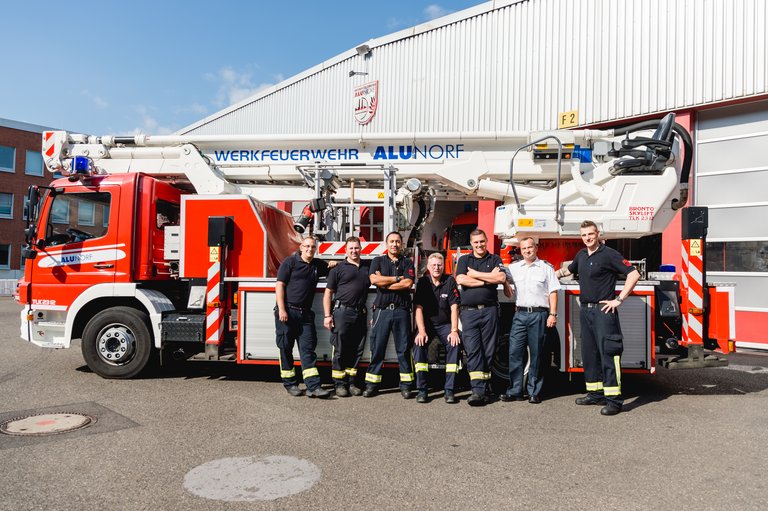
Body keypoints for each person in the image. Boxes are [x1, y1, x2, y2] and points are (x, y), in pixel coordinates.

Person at [556, 220, 641, 416]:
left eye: (590, 234)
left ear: (598, 234)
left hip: (604, 311)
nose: (587, 238)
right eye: (584, 235)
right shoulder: (582, 255)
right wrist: (552, 274)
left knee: (609, 353)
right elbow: (568, 270)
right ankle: (594, 394)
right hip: (586, 311)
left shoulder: (609, 254)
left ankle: (614, 400)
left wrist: (619, 299)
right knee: (590, 353)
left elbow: (633, 274)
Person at [500, 237, 560, 404]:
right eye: (524, 248)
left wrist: (552, 314)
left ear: (536, 248)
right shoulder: (513, 268)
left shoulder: (546, 268)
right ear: (520, 250)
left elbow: (553, 292)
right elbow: (502, 279)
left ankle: (534, 391)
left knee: (537, 354)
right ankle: (515, 391)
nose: (527, 250)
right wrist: (504, 281)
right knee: (515, 352)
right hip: (520, 315)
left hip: (539, 315)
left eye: (530, 247)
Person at [455, 229, 508, 406]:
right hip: (469, 313)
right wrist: (488, 279)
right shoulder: (464, 260)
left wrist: (476, 275)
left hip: (490, 311)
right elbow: (462, 279)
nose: (479, 245)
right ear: (471, 244)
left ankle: (484, 389)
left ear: (486, 242)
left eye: (482, 242)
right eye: (476, 242)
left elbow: (501, 277)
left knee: (489, 350)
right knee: (473, 350)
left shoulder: (494, 259)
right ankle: (478, 391)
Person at [275, 236, 330, 398]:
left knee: (308, 349)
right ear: (301, 247)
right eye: (306, 246)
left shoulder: (317, 265)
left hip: (305, 314)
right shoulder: (289, 262)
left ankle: (313, 386)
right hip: (288, 312)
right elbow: (280, 285)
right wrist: (282, 309)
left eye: (313, 247)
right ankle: (290, 384)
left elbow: (332, 267)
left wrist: (333, 264)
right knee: (285, 348)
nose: (309, 249)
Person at [363, 231, 416, 399]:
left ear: (401, 244)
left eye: (398, 241)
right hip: (382, 311)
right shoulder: (377, 261)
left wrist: (386, 283)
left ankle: (406, 385)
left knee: (404, 349)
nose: (395, 244)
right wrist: (397, 278)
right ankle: (372, 384)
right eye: (392, 241)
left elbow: (408, 283)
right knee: (377, 348)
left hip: (401, 311)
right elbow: (374, 280)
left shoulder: (408, 262)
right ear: (387, 244)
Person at [322, 237, 370, 397]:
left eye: (356, 248)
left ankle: (352, 383)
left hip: (360, 313)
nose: (354, 251)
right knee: (340, 350)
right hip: (342, 313)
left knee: (357, 350)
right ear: (345, 250)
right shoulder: (338, 268)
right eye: (351, 248)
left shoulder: (366, 268)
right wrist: (327, 315)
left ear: (361, 249)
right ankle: (339, 384)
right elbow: (328, 293)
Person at [413, 253, 461, 404]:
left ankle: (449, 390)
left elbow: (454, 307)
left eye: (439, 265)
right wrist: (421, 331)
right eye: (433, 265)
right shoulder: (423, 282)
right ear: (428, 267)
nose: (436, 268)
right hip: (426, 325)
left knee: (455, 344)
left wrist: (454, 331)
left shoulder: (449, 281)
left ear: (443, 266)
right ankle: (422, 390)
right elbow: (418, 308)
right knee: (418, 345)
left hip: (445, 325)